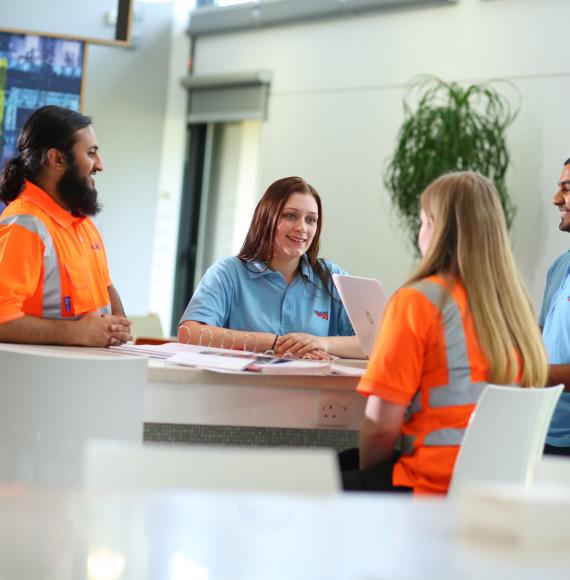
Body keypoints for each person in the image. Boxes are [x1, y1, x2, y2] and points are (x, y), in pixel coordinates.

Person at [342, 171, 548, 494]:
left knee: (329, 474)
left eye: (424, 221)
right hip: (497, 492)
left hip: (432, 490)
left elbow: (380, 430)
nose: (420, 231)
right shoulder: (515, 309)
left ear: (438, 229)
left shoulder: (418, 302)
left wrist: (372, 493)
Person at [178, 176, 364, 359]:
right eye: (290, 216)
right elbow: (189, 333)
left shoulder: (332, 277)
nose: (302, 228)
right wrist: (274, 343)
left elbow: (377, 343)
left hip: (311, 388)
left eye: (311, 220)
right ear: (267, 218)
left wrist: (322, 343)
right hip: (242, 387)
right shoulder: (227, 273)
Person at [0, 105, 132, 347]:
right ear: (56, 159)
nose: (100, 165)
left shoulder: (83, 224)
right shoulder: (25, 224)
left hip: (91, 376)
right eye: (91, 153)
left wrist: (117, 329)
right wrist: (77, 333)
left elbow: (106, 287)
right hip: (44, 380)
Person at [539, 158, 570, 456]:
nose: (556, 199)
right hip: (540, 432)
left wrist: (527, 373)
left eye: (567, 188)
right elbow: (542, 334)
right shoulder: (560, 266)